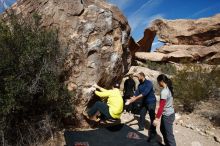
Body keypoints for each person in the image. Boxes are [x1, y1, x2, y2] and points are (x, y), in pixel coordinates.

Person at [126, 72, 157, 141]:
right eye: (136, 77)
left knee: (152, 116)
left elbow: (144, 93)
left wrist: (135, 99)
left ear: (142, 76)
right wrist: (132, 98)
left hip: (151, 102)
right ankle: (141, 127)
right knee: (142, 114)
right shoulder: (140, 85)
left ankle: (153, 131)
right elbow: (136, 93)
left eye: (138, 77)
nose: (137, 78)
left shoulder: (149, 83)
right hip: (144, 102)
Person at [153, 74, 176, 146]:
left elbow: (161, 107)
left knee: (169, 135)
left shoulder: (164, 92)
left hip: (168, 116)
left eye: (158, 82)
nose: (158, 83)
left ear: (161, 81)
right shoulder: (169, 88)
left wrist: (156, 119)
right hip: (170, 114)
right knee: (162, 129)